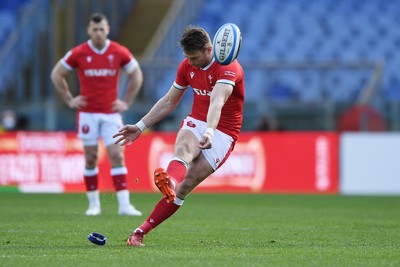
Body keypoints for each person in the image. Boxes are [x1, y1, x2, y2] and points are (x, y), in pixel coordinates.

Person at [113, 25, 245, 246]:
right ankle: (165, 189)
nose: (190, 62)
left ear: (209, 49)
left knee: (188, 182)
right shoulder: (186, 66)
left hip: (224, 131)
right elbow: (168, 101)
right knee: (183, 150)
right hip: (197, 120)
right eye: (187, 57)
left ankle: (144, 227)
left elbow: (217, 101)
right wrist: (140, 125)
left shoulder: (228, 68)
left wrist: (211, 130)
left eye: (194, 57)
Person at [50, 12, 143, 216]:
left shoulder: (118, 51)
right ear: (88, 31)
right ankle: (93, 204)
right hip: (88, 114)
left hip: (111, 114)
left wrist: (126, 101)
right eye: (95, 30)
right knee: (91, 157)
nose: (99, 33)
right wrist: (69, 99)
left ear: (107, 29)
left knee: (117, 155)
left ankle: (124, 205)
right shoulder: (79, 52)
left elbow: (136, 74)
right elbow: (57, 74)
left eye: (102, 29)